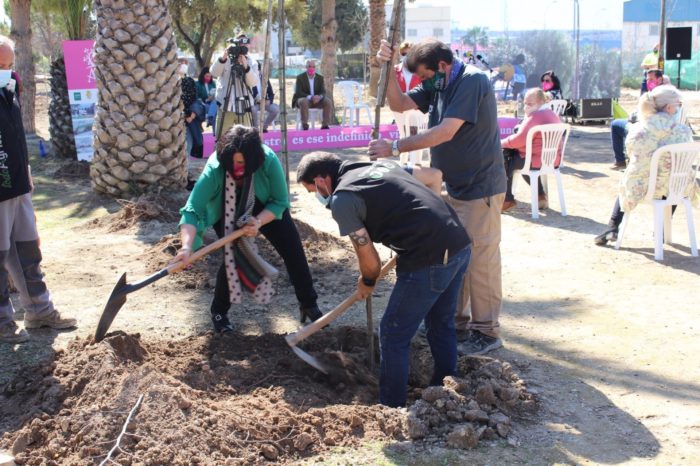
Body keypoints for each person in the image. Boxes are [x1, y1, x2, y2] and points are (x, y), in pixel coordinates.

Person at [296, 152, 471, 408]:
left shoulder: (343, 200)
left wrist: (368, 280)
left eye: (313, 190)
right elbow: (433, 176)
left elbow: (368, 258)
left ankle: (391, 407)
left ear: (322, 180)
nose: (317, 196)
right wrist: (421, 224)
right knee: (440, 321)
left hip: (429, 257)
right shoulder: (380, 165)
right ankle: (444, 390)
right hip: (458, 243)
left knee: (392, 333)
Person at [368, 38, 506, 356]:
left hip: (480, 186)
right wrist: (387, 71)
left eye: (427, 76)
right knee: (455, 256)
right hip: (452, 186)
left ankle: (486, 331)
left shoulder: (472, 80)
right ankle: (455, 324)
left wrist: (396, 148)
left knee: (480, 261)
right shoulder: (439, 82)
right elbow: (400, 104)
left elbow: (446, 131)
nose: (425, 83)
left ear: (442, 66)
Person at [172, 125, 323, 333]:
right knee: (231, 256)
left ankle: (308, 304)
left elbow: (280, 201)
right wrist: (187, 247)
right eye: (232, 162)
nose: (237, 167)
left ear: (254, 160)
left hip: (265, 204)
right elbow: (192, 210)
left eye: (242, 162)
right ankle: (219, 312)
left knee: (293, 248)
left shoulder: (268, 160)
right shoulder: (215, 169)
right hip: (226, 203)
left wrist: (258, 222)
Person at [0, 35, 76, 343]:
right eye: (0, 64)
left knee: (28, 250)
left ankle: (39, 311)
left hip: (19, 183)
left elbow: (16, 136)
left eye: (8, 64)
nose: (6, 69)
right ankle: (3, 322)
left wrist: (27, 177)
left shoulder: (11, 88)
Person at [595, 85, 693, 246]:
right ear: (669, 107)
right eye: (678, 105)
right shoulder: (683, 131)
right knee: (676, 179)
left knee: (628, 177)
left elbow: (631, 153)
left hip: (641, 188)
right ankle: (661, 230)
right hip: (673, 189)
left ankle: (612, 226)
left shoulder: (639, 128)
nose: (678, 108)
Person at [501, 88, 562, 213]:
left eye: (530, 104)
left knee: (504, 156)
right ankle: (540, 196)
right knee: (519, 158)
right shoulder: (552, 113)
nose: (526, 107)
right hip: (552, 159)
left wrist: (499, 143)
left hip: (535, 160)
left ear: (540, 102)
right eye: (525, 103)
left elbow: (519, 140)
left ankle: (507, 199)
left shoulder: (535, 116)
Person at [610, 69, 665, 170]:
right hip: (654, 128)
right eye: (647, 80)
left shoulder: (655, 95)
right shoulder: (668, 93)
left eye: (651, 79)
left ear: (660, 79)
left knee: (615, 124)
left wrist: (633, 117)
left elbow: (641, 115)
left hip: (644, 128)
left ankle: (620, 161)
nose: (649, 82)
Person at [210, 33, 260, 136]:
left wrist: (246, 66)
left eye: (244, 44)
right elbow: (214, 73)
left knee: (245, 141)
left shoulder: (252, 62)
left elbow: (253, 82)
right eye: (239, 44)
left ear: (248, 46)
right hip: (225, 106)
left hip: (244, 107)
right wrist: (223, 58)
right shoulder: (225, 58)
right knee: (222, 140)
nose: (242, 47)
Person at [291, 60, 332, 130]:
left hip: (317, 100)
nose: (311, 68)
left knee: (328, 101)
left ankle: (325, 125)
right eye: (309, 66)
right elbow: (299, 92)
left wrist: (319, 97)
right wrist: (311, 97)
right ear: (306, 67)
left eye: (313, 67)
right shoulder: (300, 77)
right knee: (303, 101)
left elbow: (323, 91)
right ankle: (305, 125)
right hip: (305, 99)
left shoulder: (320, 78)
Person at [179, 60, 204, 159]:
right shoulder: (170, 82)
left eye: (185, 63)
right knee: (187, 143)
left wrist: (192, 115)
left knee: (192, 142)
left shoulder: (189, 80)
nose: (183, 65)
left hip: (191, 118)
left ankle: (185, 169)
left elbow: (195, 98)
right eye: (180, 63)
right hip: (179, 118)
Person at [251, 62, 280, 133]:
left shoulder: (265, 79)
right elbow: (250, 94)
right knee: (253, 110)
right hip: (255, 103)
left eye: (256, 69)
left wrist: (269, 101)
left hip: (265, 103)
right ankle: (256, 129)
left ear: (260, 70)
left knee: (275, 109)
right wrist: (258, 100)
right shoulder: (250, 79)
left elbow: (271, 93)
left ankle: (264, 127)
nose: (255, 71)